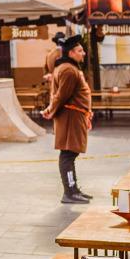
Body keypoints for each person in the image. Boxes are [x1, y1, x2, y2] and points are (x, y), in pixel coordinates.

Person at [41, 35, 93, 205]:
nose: (83, 53)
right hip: (70, 118)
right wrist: (50, 109)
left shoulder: (67, 67)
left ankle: (73, 190)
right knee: (68, 154)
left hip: (73, 117)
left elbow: (58, 95)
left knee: (70, 153)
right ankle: (70, 192)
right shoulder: (69, 70)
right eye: (80, 51)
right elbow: (61, 95)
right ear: (70, 52)